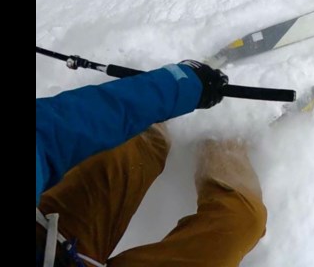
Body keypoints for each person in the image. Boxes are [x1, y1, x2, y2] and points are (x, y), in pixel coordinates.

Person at [36, 60, 268, 267]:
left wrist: (179, 85)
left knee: (128, 147)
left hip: (52, 236)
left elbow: (55, 129)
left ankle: (209, 134)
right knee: (241, 221)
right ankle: (228, 133)